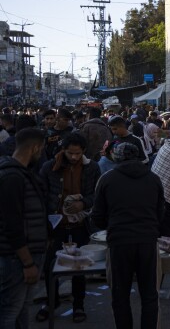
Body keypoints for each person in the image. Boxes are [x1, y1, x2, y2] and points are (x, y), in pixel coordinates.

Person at [92, 142, 164, 329]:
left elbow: (97, 216)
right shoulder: (153, 178)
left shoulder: (107, 179)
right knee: (149, 294)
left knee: (120, 294)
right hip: (147, 240)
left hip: (119, 242)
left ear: (116, 158)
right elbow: (161, 212)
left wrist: (114, 226)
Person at [37, 132, 101, 323]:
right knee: (51, 266)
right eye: (70, 153)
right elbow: (43, 195)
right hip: (56, 225)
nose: (73, 157)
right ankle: (51, 301)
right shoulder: (49, 168)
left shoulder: (92, 168)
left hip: (81, 225)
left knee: (79, 267)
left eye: (77, 154)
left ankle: (78, 304)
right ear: (63, 150)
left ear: (83, 152)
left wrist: (84, 204)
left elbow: (97, 194)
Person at [0, 128, 47, 328]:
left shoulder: (20, 173)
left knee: (22, 306)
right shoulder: (12, 177)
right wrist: (27, 263)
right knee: (10, 309)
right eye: (41, 150)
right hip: (17, 258)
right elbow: (12, 223)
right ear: (35, 147)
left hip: (26, 254)